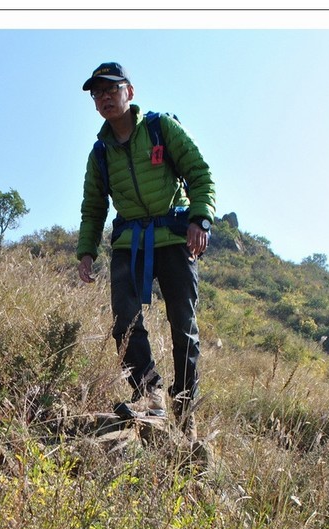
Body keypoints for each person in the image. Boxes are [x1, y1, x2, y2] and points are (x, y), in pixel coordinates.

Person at [76, 62, 216, 439]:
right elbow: (94, 208)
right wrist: (86, 251)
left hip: (174, 237)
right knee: (124, 321)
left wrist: (199, 219)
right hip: (130, 244)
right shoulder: (100, 153)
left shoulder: (160, 129)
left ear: (129, 92)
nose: (104, 97)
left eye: (111, 89)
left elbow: (200, 174)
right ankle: (149, 395)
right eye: (97, 93)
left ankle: (185, 411)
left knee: (183, 327)